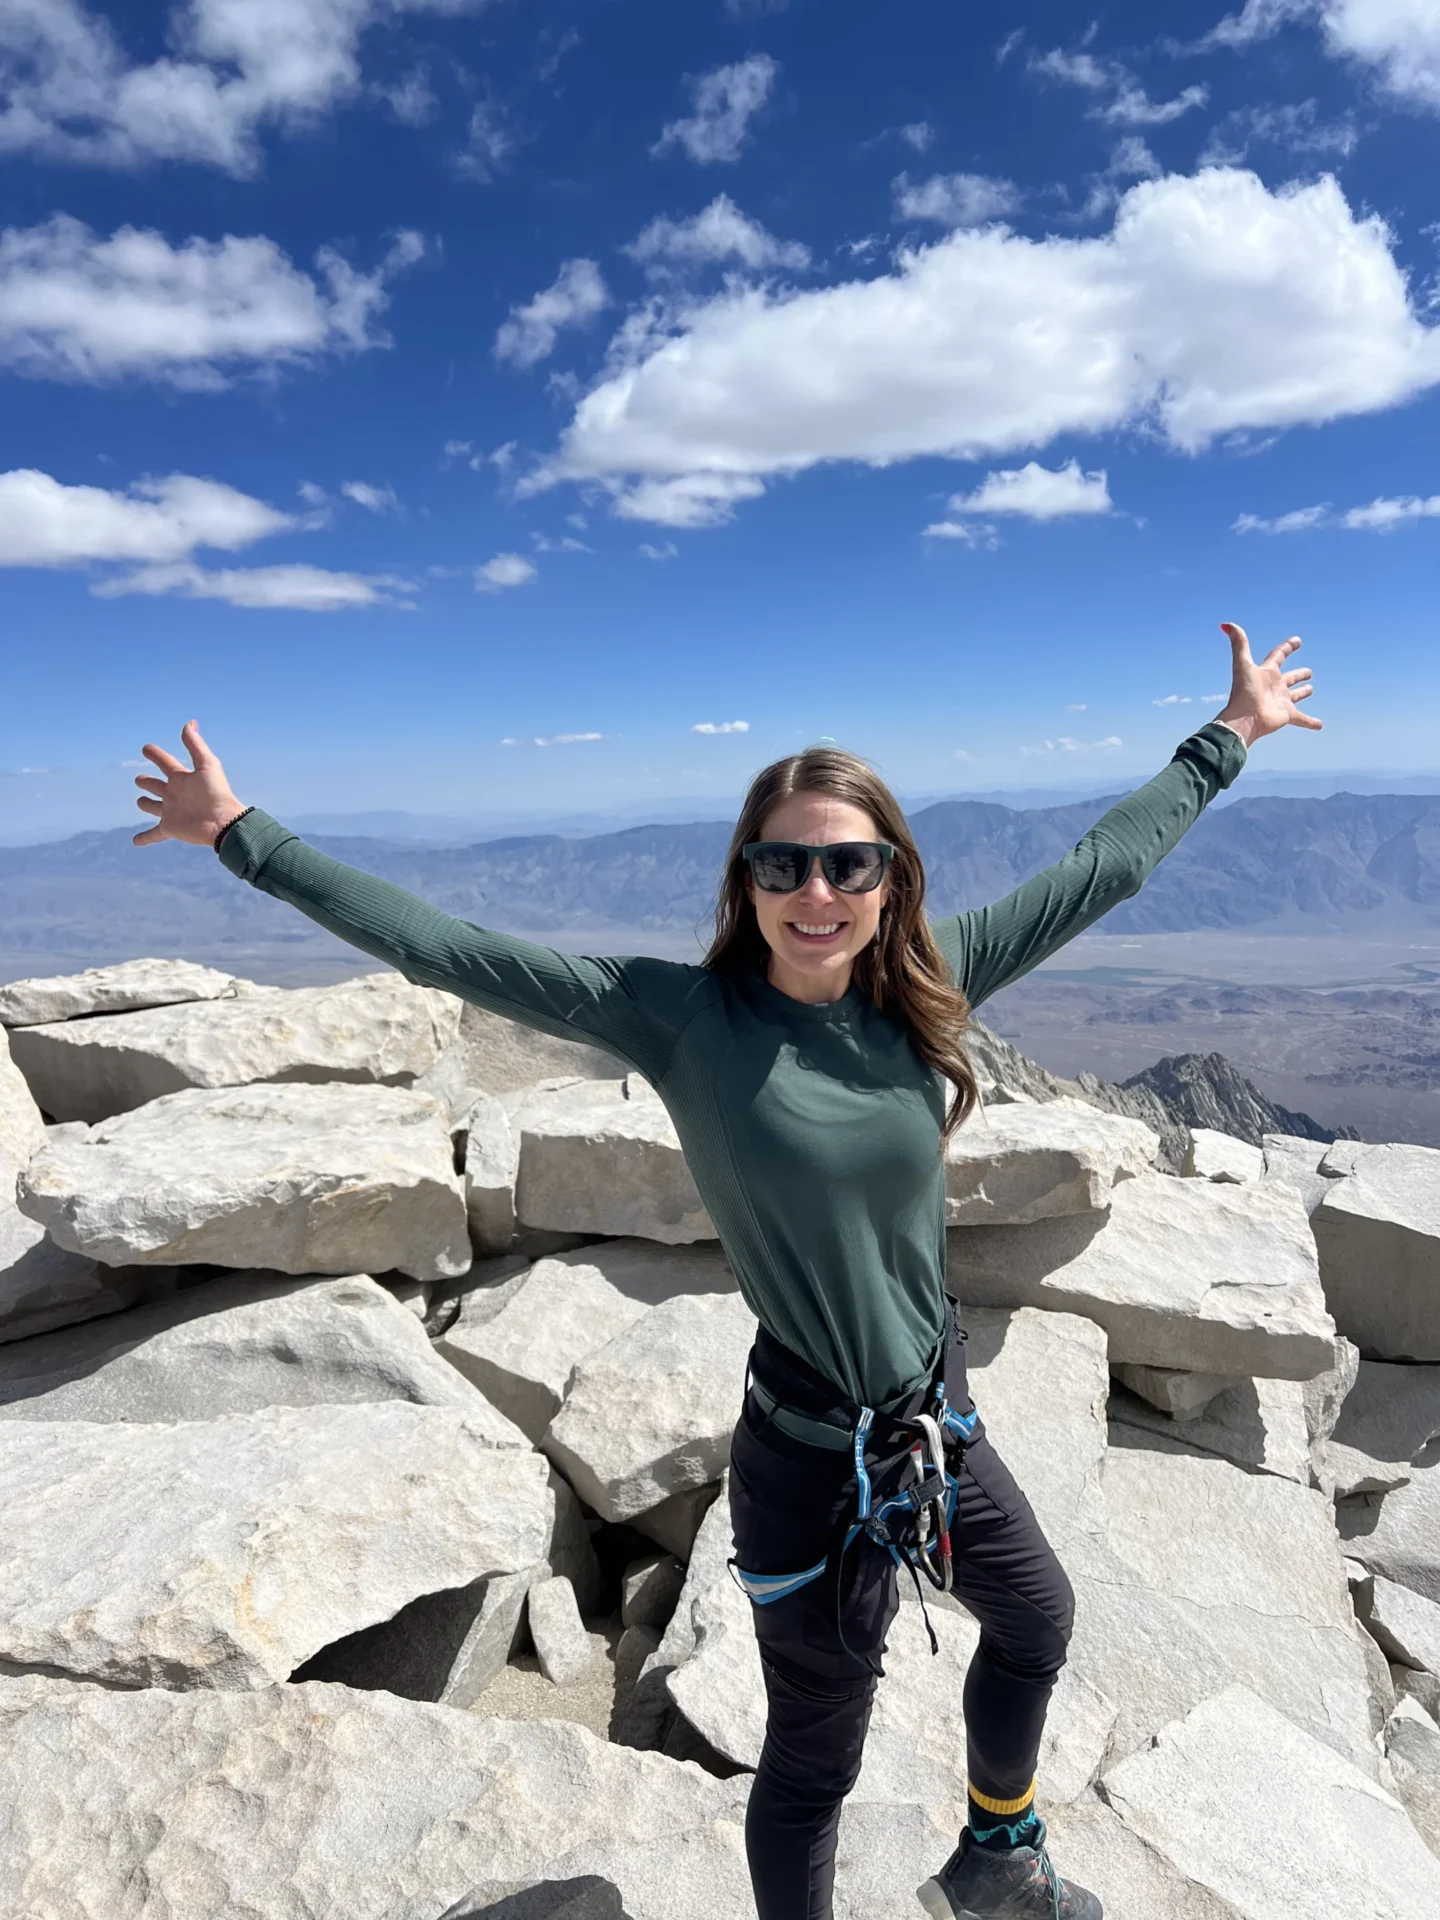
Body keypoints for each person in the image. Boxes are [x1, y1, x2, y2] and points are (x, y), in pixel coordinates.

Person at [134, 622, 1319, 1919]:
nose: (819, 891)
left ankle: (996, 1856)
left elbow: (1105, 867)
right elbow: (447, 948)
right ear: (747, 881)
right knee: (817, 1757)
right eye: (785, 862)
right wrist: (244, 832)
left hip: (933, 1430)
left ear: (890, 878)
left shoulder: (930, 982)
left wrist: (1232, 734)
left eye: (848, 862)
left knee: (1035, 1619)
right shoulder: (682, 1019)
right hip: (806, 1461)